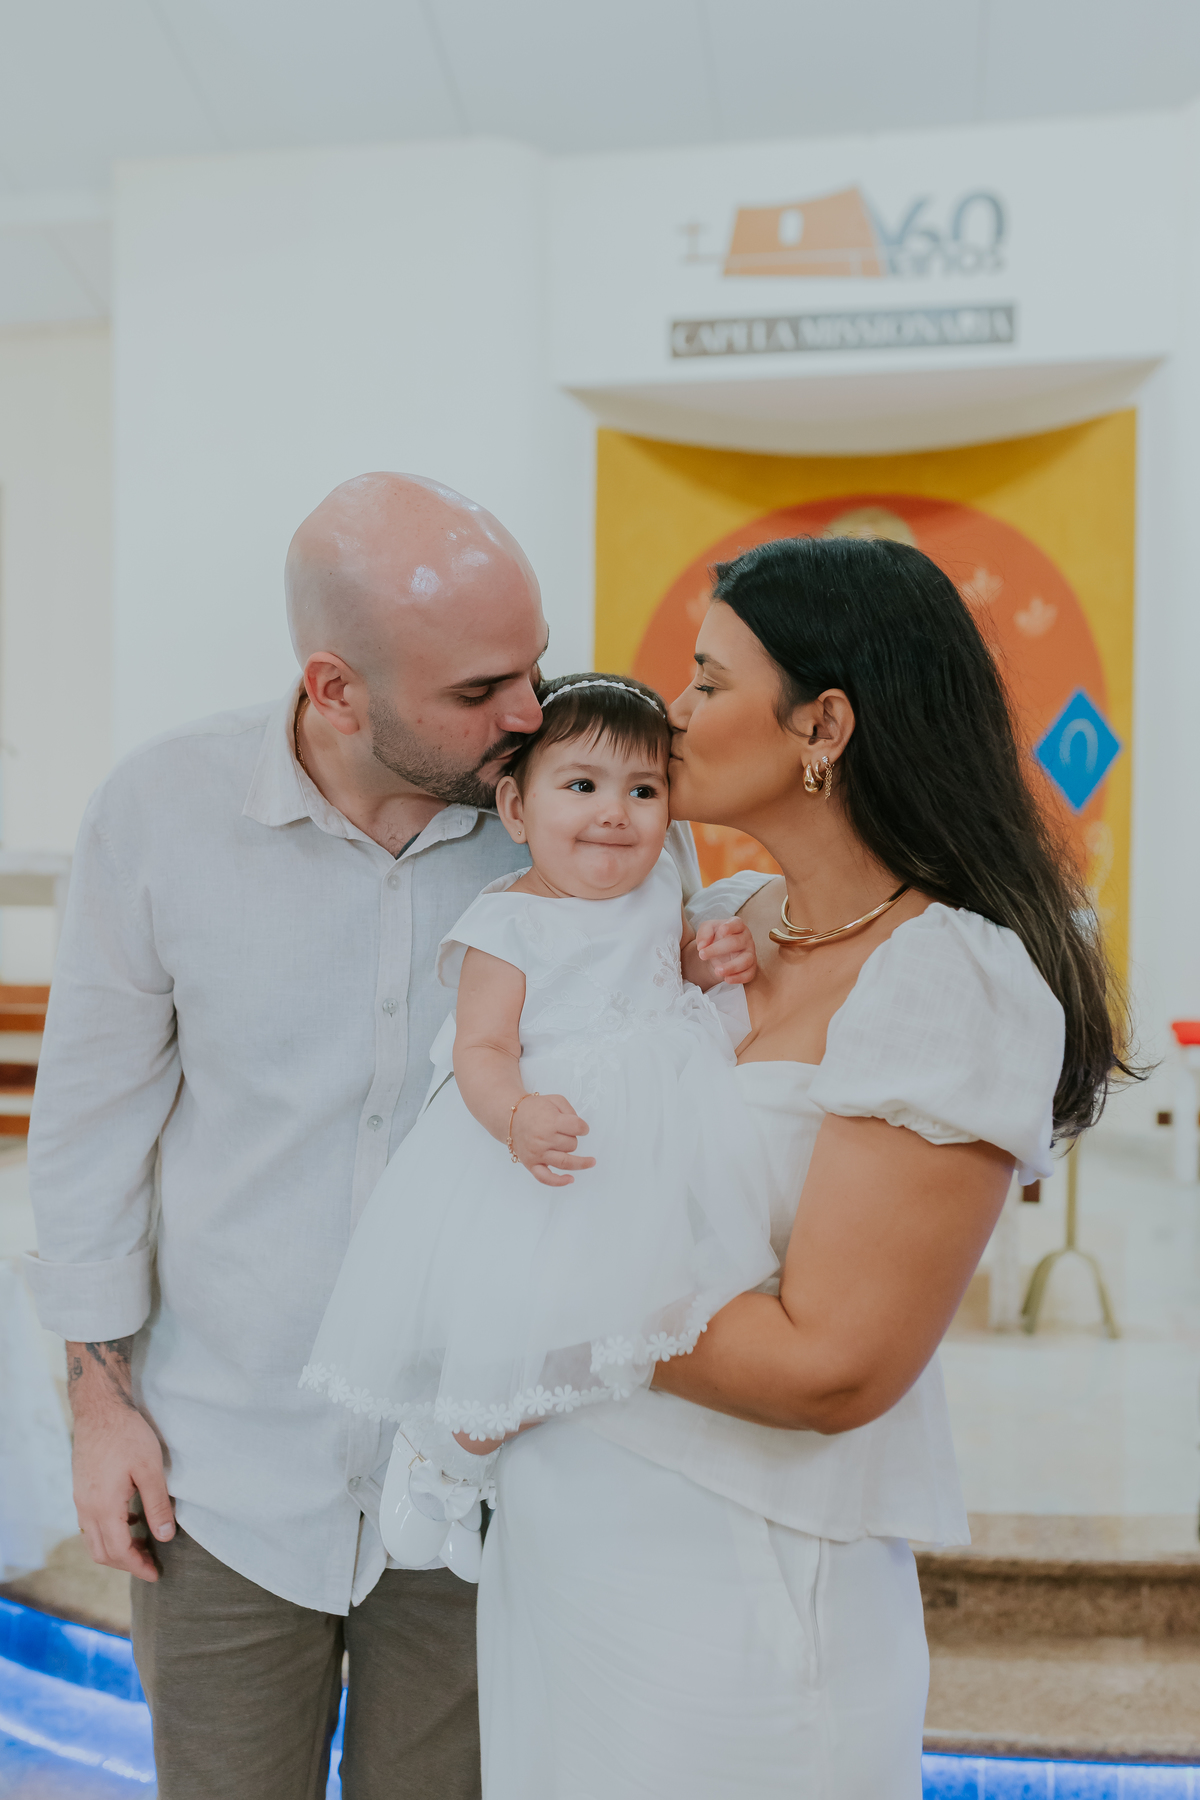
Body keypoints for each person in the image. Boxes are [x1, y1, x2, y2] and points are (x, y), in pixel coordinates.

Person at [22, 472, 697, 1800]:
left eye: (536, 666)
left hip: (484, 1467)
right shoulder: (160, 812)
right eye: (477, 689)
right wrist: (99, 1409)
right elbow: (90, 1128)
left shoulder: (579, 826)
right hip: (223, 1477)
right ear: (336, 689)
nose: (527, 713)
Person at [476, 535, 1130, 1800]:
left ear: (823, 724)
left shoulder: (951, 981)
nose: (673, 717)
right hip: (566, 1547)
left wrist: (544, 1294)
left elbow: (833, 1364)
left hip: (739, 1584)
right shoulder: (721, 933)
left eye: (712, 683)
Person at [303, 675, 776, 1575]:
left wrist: (698, 960)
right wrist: (515, 1114)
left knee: (628, 1324)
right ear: (517, 808)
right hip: (546, 1153)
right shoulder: (509, 921)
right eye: (583, 786)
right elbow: (480, 1049)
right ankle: (449, 1448)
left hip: (646, 1141)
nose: (615, 814)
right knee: (535, 1324)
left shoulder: (665, 885)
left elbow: (654, 974)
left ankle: (477, 1458)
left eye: (643, 790)